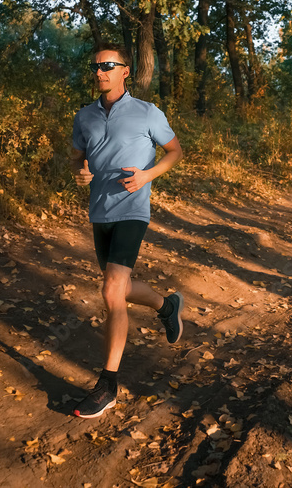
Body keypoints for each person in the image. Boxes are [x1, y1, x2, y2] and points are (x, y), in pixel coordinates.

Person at [69, 44, 185, 418]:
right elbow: (77, 159)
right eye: (96, 66)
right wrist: (81, 172)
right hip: (99, 212)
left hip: (133, 210)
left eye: (108, 65)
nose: (100, 71)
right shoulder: (84, 116)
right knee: (118, 287)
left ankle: (108, 384)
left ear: (125, 71)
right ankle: (167, 306)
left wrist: (148, 175)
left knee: (110, 290)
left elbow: (175, 151)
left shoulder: (147, 113)